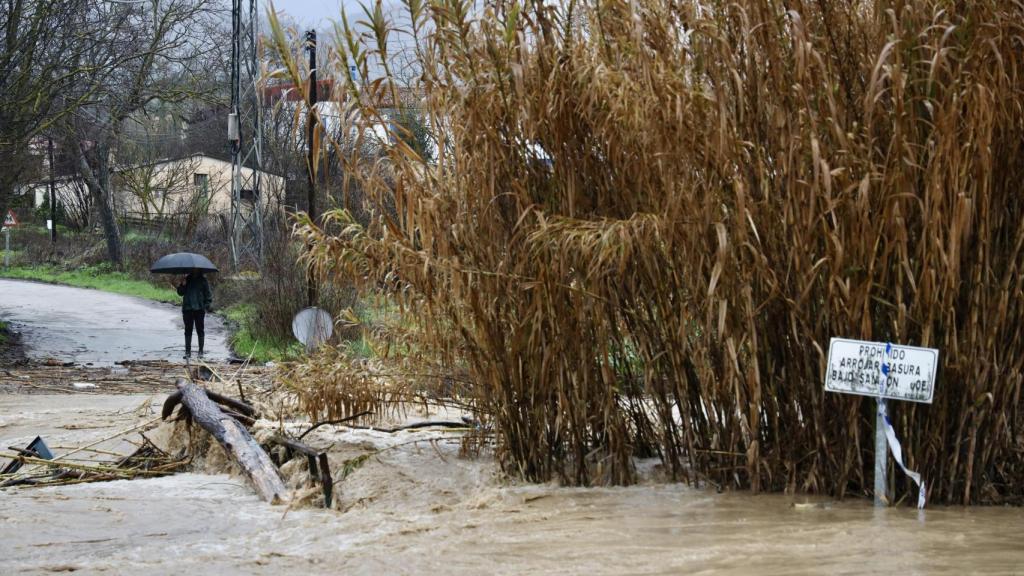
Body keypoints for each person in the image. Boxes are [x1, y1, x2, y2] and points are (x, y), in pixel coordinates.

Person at [173, 269, 212, 358]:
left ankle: (201, 351)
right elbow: (180, 293)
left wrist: (204, 306)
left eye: (196, 269)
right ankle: (187, 352)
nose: (194, 270)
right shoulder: (187, 279)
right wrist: (182, 285)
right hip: (187, 309)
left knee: (200, 330)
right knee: (188, 330)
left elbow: (208, 295)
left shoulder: (203, 280)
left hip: (199, 309)